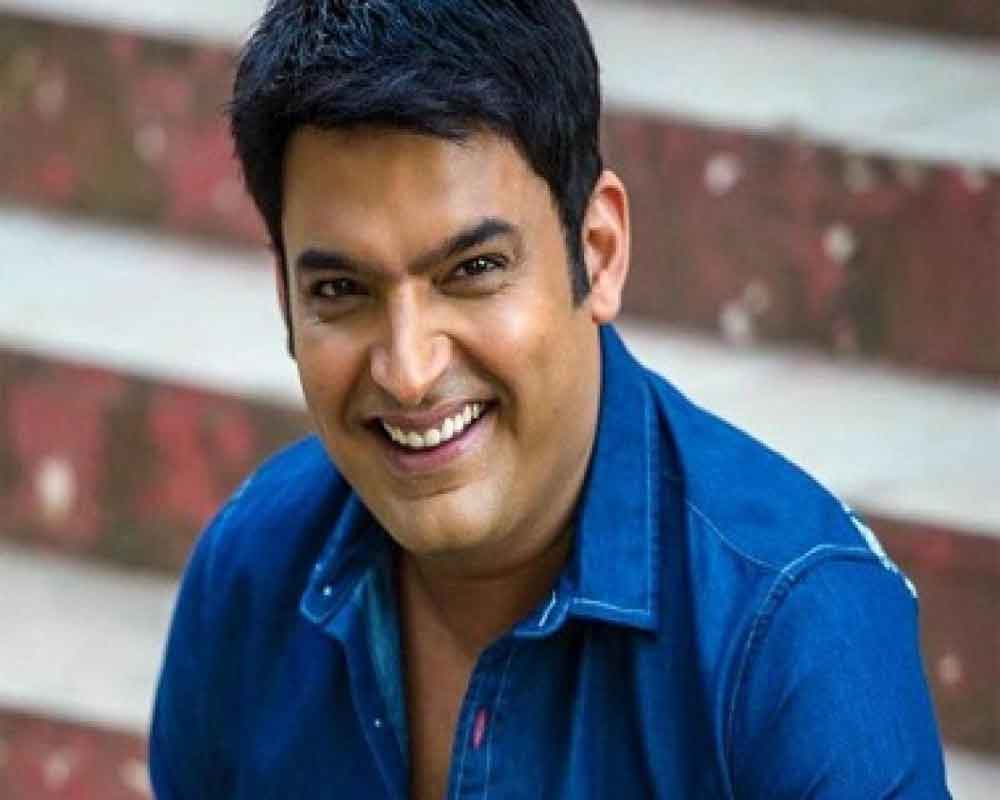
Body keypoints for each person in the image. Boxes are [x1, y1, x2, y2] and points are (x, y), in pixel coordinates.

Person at [150, 1, 951, 797]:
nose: (409, 371)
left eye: (473, 270)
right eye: (340, 289)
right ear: (286, 298)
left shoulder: (794, 634)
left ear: (598, 252)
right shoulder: (251, 570)